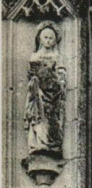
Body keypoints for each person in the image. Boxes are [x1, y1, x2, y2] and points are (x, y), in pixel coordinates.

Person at [24, 21, 66, 157]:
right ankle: (37, 143)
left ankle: (49, 143)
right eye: (45, 37)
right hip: (38, 90)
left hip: (52, 91)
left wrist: (59, 81)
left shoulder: (57, 56)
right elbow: (31, 74)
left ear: (54, 41)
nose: (48, 41)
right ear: (40, 39)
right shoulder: (34, 56)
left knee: (50, 115)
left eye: (51, 38)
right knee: (37, 115)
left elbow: (61, 74)